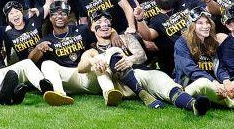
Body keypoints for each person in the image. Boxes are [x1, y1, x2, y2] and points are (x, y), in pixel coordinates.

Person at [78, 10, 210, 115]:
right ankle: (143, 94)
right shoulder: (92, 51)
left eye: (107, 21)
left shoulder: (125, 38)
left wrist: (129, 60)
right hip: (120, 85)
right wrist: (94, 61)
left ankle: (193, 104)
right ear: (91, 28)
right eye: (98, 21)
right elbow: (81, 67)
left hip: (140, 72)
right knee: (113, 51)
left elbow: (142, 56)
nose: (104, 24)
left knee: (166, 84)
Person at [174, 9, 234, 109]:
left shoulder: (211, 42)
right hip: (192, 86)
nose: (205, 26)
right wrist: (213, 82)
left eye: (207, 22)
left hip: (216, 87)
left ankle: (214, 101)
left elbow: (220, 66)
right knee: (203, 83)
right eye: (200, 23)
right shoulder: (181, 43)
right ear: (192, 25)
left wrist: (226, 81)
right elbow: (189, 69)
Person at [136, 0, 205, 74]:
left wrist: (207, 0)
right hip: (181, 56)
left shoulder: (185, 2)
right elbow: (148, 35)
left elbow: (210, 12)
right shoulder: (157, 19)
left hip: (202, 46)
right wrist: (139, 19)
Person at [35, 0, 95, 106]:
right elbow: (31, 60)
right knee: (46, 64)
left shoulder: (82, 30)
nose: (59, 16)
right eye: (55, 14)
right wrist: (38, 48)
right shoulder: (47, 39)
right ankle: (59, 94)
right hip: (68, 79)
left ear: (68, 16)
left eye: (63, 13)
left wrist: (113, 33)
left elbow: (97, 46)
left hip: (85, 73)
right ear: (50, 18)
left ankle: (110, 89)